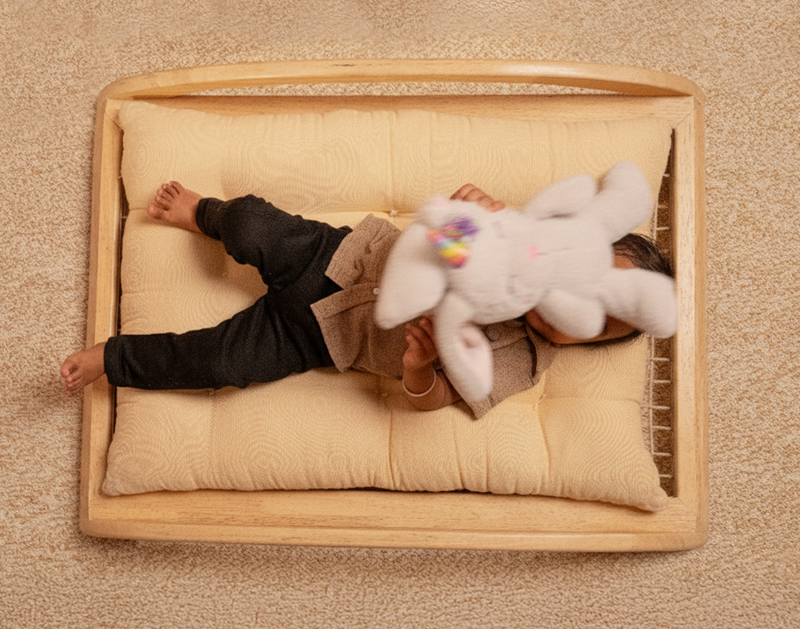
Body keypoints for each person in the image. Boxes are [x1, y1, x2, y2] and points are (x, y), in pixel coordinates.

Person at [61, 181, 672, 418]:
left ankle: (114, 361)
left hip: (322, 338)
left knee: (221, 364)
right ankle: (205, 213)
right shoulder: (519, 244)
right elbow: (450, 223)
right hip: (336, 257)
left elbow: (433, 403)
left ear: (592, 340)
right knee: (251, 224)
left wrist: (418, 370)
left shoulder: (524, 361)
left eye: (593, 320)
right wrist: (475, 210)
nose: (569, 305)